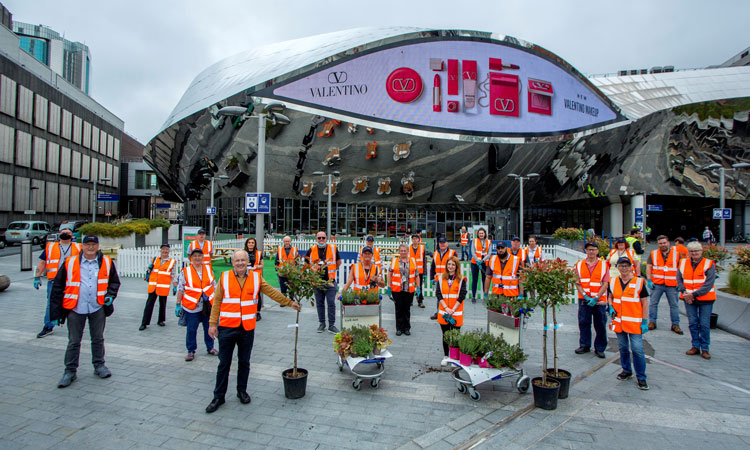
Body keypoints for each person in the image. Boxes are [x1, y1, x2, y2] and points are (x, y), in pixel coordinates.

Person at [205, 250, 301, 413]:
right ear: (233, 262)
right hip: (227, 328)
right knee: (224, 364)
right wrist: (212, 323)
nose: (240, 263)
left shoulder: (256, 278)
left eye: (243, 260)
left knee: (244, 362)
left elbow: (271, 292)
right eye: (237, 260)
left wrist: (289, 302)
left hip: (246, 329)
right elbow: (217, 301)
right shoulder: (225, 277)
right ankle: (218, 396)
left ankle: (241, 391)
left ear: (247, 262)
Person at [49, 235, 120, 388]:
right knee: (74, 341)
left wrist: (110, 295)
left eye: (93, 245)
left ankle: (99, 365)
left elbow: (114, 282)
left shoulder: (106, 262)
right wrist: (54, 314)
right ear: (82, 246)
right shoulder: (70, 262)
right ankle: (70, 371)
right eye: (87, 244)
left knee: (98, 338)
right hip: (76, 307)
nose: (90, 248)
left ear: (98, 246)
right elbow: (57, 288)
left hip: (97, 307)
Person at [607, 256, 649, 390]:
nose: (624, 268)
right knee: (623, 348)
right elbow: (610, 297)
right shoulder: (613, 282)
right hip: (619, 322)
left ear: (631, 267)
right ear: (617, 267)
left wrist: (645, 321)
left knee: (637, 350)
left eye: (626, 266)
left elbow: (644, 302)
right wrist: (610, 306)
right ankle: (626, 370)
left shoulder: (639, 282)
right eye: (621, 266)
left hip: (635, 323)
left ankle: (641, 377)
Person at [34, 229, 81, 338]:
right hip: (54, 281)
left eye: (68, 232)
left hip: (72, 282)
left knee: (75, 303)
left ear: (72, 236)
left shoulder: (78, 247)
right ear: (59, 235)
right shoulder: (50, 247)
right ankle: (48, 326)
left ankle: (76, 326)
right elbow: (42, 262)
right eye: (63, 232)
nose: (65, 234)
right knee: (51, 304)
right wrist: (37, 276)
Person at [678, 241, 717, 360]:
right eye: (692, 251)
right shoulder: (683, 263)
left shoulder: (709, 264)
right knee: (693, 323)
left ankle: (705, 348)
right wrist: (684, 291)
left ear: (701, 251)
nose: (694, 253)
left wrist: (693, 294)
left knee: (704, 324)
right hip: (688, 299)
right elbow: (679, 279)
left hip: (705, 299)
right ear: (688, 252)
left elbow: (709, 283)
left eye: (697, 251)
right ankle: (695, 345)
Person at [176, 248, 217, 361]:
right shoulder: (185, 271)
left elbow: (214, 285)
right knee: (191, 329)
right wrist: (178, 304)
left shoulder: (208, 269)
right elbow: (181, 288)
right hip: (191, 306)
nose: (197, 258)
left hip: (207, 304)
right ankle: (191, 350)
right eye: (195, 256)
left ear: (202, 257)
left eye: (199, 255)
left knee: (208, 327)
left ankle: (210, 347)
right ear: (191, 258)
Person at [575, 242, 609, 358]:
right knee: (584, 322)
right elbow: (577, 283)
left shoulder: (604, 265)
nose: (591, 252)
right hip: (584, 300)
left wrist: (596, 297)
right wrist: (585, 295)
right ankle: (585, 345)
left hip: (599, 300)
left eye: (594, 250)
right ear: (586, 251)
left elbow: (605, 284)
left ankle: (600, 348)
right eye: (589, 250)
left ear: (597, 251)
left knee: (600, 324)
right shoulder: (579, 265)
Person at [305, 231, 342, 333]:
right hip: (317, 282)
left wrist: (332, 271)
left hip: (330, 282)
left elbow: (339, 262)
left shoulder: (333, 248)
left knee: (331, 303)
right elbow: (306, 262)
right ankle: (322, 323)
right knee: (320, 303)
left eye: (323, 238)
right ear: (316, 239)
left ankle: (332, 325)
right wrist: (313, 270)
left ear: (326, 238)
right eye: (319, 238)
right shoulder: (312, 250)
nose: (321, 240)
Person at [646, 235, 683, 334]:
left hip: (672, 284)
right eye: (660, 243)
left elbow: (681, 269)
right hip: (657, 284)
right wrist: (649, 280)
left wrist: (680, 282)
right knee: (653, 303)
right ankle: (652, 322)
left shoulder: (677, 254)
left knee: (674, 305)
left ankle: (675, 324)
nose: (662, 245)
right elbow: (649, 267)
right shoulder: (653, 254)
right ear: (658, 244)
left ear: (668, 243)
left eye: (664, 243)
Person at [140, 244, 177, 330]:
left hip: (163, 286)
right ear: (160, 251)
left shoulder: (172, 262)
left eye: (167, 249)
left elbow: (173, 274)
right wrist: (149, 269)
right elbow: (150, 270)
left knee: (163, 304)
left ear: (169, 251)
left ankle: (161, 320)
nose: (165, 251)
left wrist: (175, 286)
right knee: (149, 304)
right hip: (153, 286)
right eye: (163, 249)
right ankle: (144, 323)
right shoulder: (155, 259)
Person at [437, 256, 466, 366]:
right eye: (449, 264)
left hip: (456, 313)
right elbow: (438, 294)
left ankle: (454, 358)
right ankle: (446, 356)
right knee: (445, 335)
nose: (450, 266)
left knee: (455, 336)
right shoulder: (441, 278)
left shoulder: (461, 279)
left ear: (456, 266)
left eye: (453, 264)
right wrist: (446, 308)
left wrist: (453, 309)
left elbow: (462, 295)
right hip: (444, 312)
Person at [389, 244, 420, 336]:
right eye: (401, 250)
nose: (403, 252)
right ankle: (399, 328)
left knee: (407, 309)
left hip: (409, 290)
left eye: (404, 250)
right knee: (398, 309)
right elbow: (390, 274)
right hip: (397, 290)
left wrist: (418, 287)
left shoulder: (413, 261)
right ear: (399, 251)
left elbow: (417, 275)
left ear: (408, 251)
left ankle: (406, 328)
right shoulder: (394, 261)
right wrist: (389, 287)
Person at [430, 237, 456, 320]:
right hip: (439, 280)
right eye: (441, 243)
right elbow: (433, 267)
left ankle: (449, 312)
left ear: (447, 243)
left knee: (448, 297)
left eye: (444, 243)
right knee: (439, 297)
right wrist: (431, 277)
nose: (442, 244)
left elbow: (456, 266)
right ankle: (439, 312)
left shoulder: (452, 253)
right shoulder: (435, 253)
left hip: (449, 279)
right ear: (438, 244)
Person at [244, 238, 264, 321]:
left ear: (254, 244)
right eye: (249, 242)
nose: (251, 244)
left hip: (255, 276)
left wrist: (255, 267)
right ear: (247, 244)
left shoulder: (259, 253)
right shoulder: (243, 253)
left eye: (252, 242)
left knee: (257, 294)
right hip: (245, 276)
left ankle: (258, 312)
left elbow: (262, 265)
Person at [469, 227, 491, 302]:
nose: (481, 234)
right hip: (475, 263)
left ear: (485, 234)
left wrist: (482, 261)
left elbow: (489, 253)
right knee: (474, 279)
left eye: (482, 233)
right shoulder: (474, 241)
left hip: (484, 263)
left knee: (484, 279)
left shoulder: (489, 242)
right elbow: (473, 251)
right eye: (480, 233)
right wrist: (477, 260)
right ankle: (473, 296)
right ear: (478, 234)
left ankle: (485, 296)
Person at [275, 235, 298, 302]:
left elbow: (297, 260)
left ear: (290, 242)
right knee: (283, 287)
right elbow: (277, 260)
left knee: (291, 286)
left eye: (288, 241)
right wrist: (277, 270)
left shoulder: (294, 249)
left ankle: (291, 299)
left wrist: (296, 269)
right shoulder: (280, 250)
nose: (287, 242)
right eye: (286, 241)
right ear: (283, 242)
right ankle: (283, 300)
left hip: (292, 272)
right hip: (282, 272)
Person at [409, 234, 426, 308]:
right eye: (413, 239)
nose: (415, 240)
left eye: (416, 239)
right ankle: (410, 301)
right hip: (411, 271)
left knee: (419, 287)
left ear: (419, 240)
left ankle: (420, 301)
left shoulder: (422, 248)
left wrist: (425, 272)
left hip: (420, 272)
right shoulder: (408, 248)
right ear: (412, 240)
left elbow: (424, 261)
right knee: (410, 286)